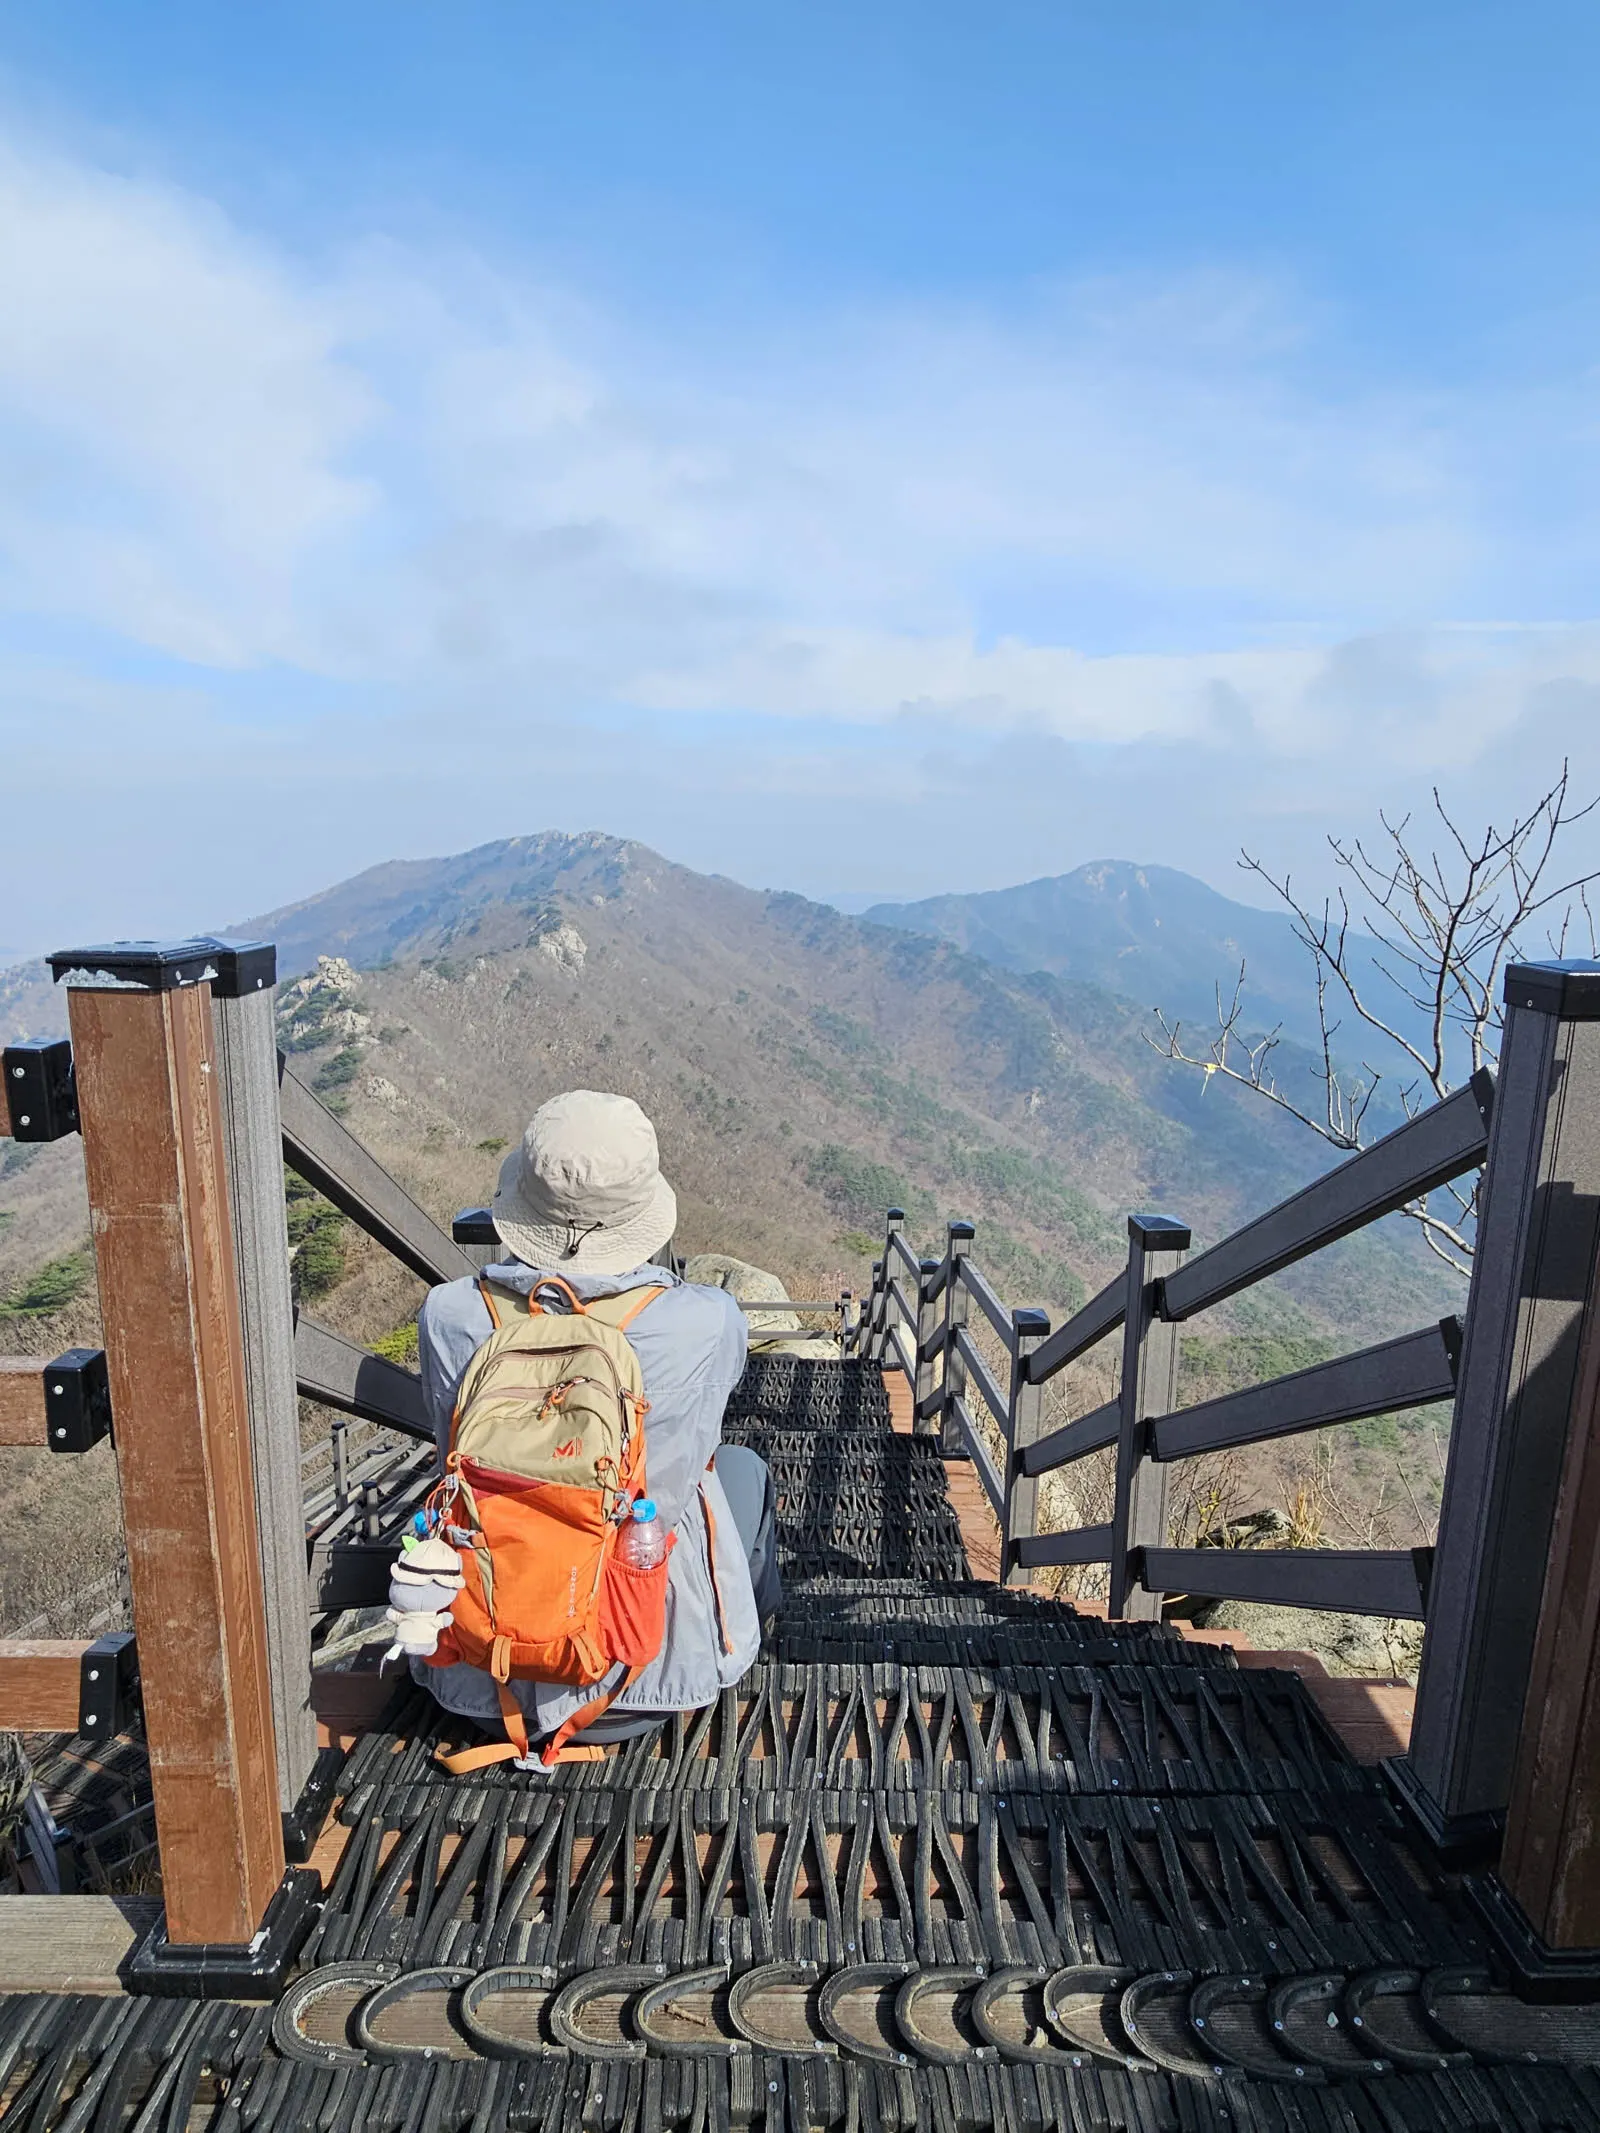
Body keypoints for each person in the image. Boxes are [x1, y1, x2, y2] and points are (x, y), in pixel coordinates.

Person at [414, 1088, 780, 1750]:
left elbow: (448, 1447)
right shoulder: (706, 1319)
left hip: (475, 1674)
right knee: (736, 1468)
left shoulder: (449, 1315)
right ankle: (745, 1633)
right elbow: (703, 1431)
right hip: (650, 1678)